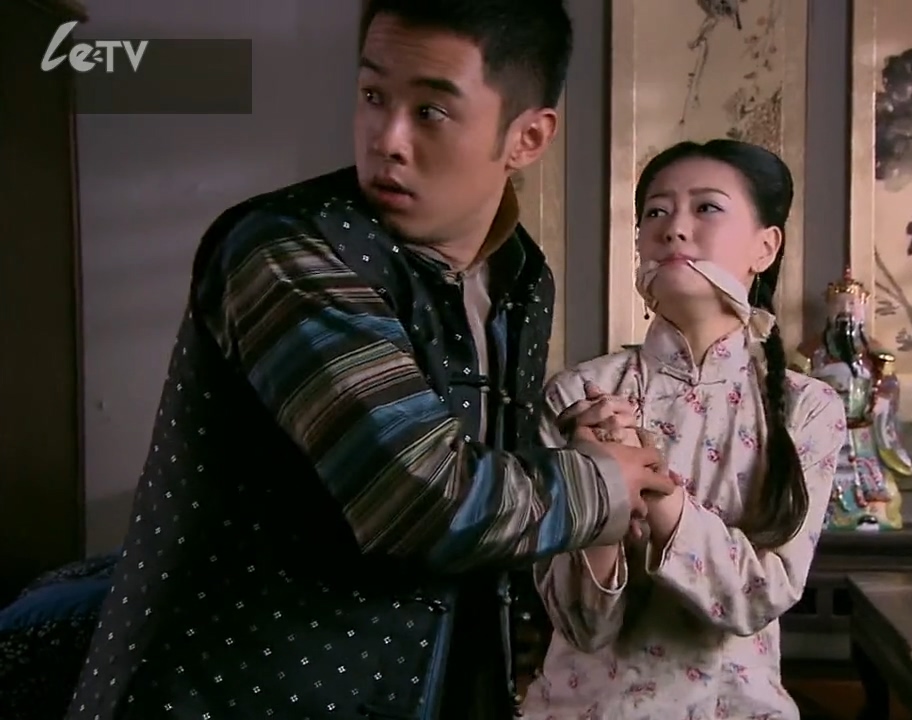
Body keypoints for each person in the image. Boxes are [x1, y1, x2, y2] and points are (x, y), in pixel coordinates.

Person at [64, 2, 676, 719]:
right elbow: (419, 498)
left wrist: (576, 448)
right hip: (235, 693)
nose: (387, 139)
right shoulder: (286, 251)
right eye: (373, 96)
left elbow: (490, 511)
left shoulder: (520, 274)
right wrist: (601, 482)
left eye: (431, 112)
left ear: (527, 137)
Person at [520, 139, 846, 720]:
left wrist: (652, 488)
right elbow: (580, 624)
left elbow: (758, 598)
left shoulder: (809, 408)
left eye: (707, 208)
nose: (673, 229)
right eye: (656, 212)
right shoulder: (577, 397)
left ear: (765, 247)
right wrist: (599, 490)